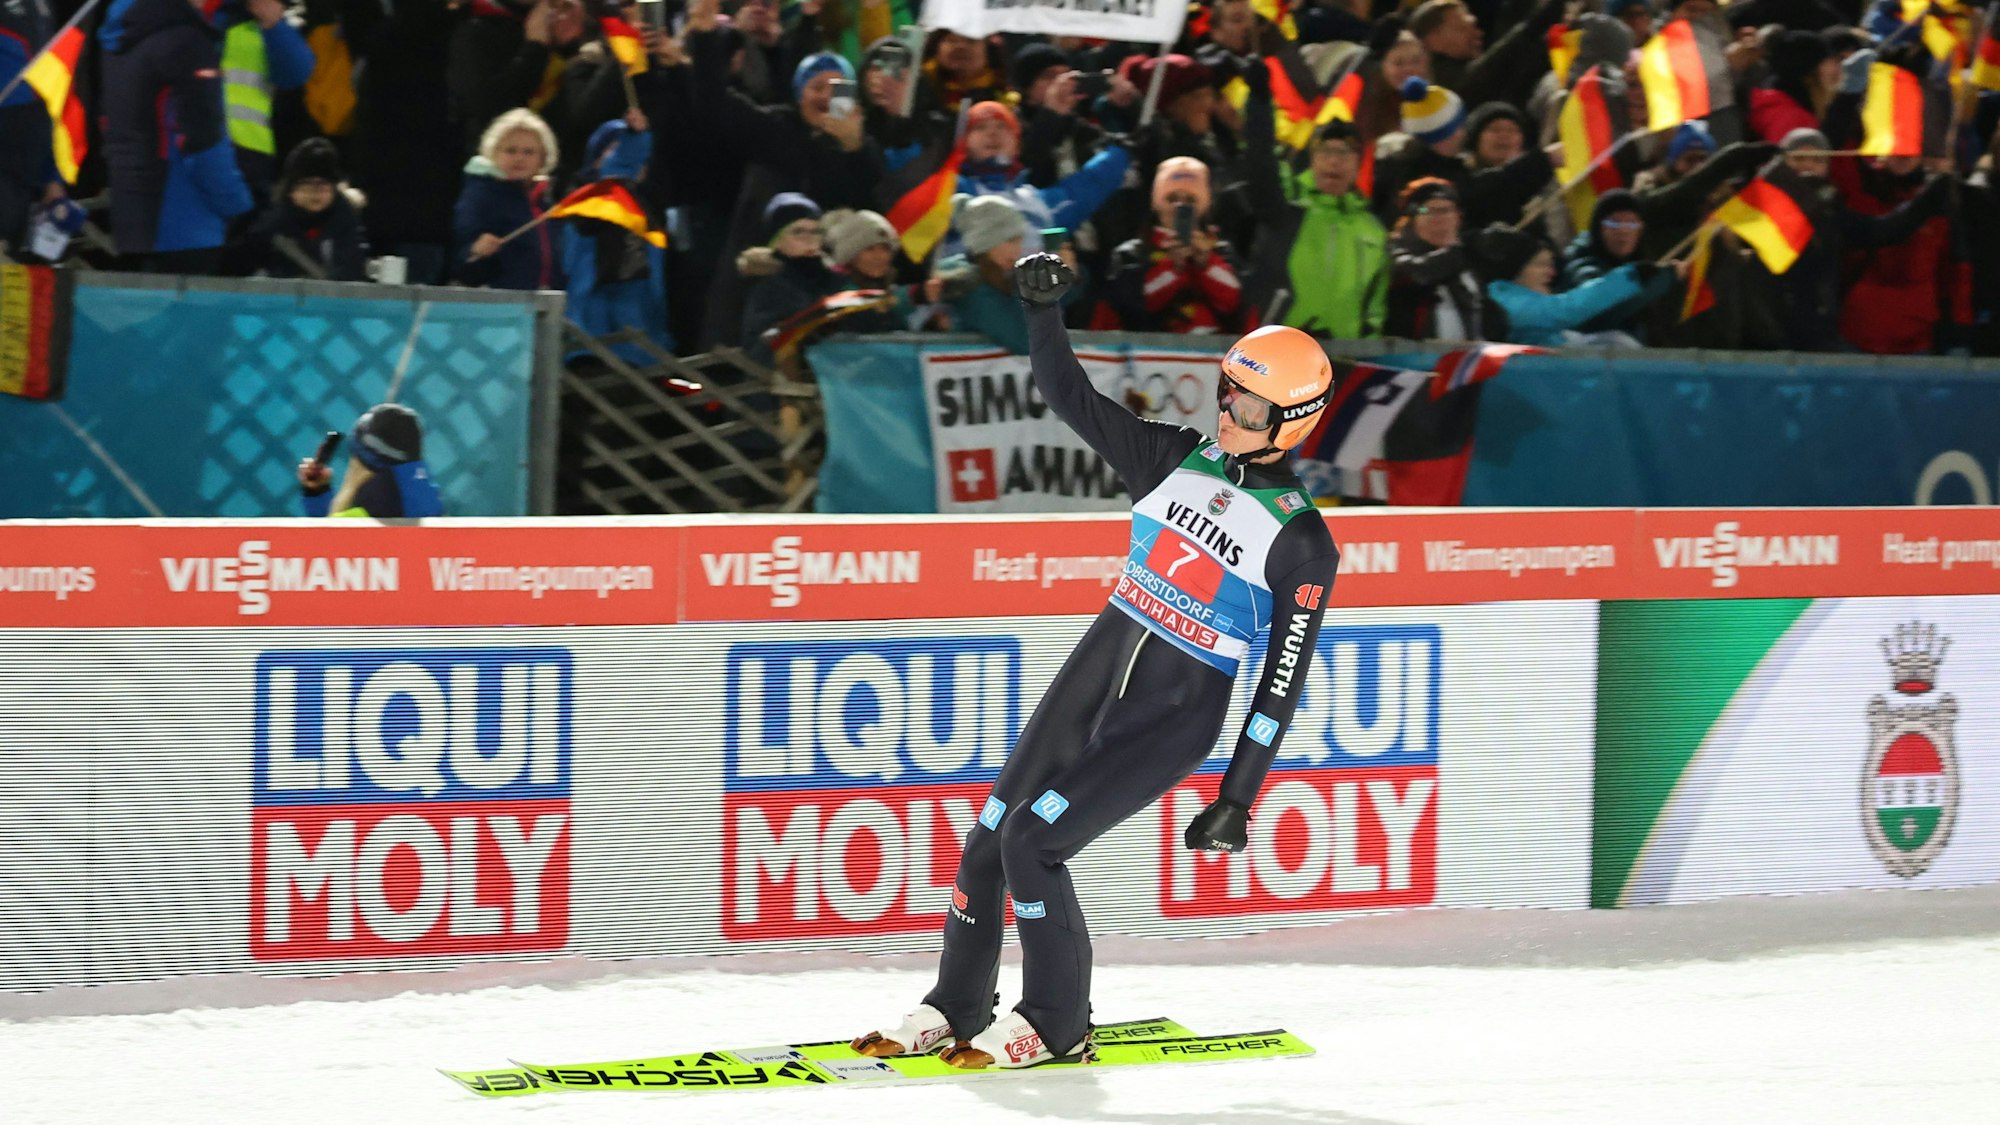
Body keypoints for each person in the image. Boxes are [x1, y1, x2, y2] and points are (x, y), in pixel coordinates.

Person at [853, 251, 1339, 1071]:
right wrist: (1042, 312)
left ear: (1293, 421)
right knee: (988, 838)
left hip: (1169, 716)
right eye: (1227, 390)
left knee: (1032, 844)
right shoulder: (1173, 457)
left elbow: (1279, 684)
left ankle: (1058, 1020)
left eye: (1252, 406)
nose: (1230, 411)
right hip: (1093, 675)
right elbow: (1068, 394)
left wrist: (1238, 796)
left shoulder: (1302, 540)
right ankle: (956, 1003)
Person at [100, 0, 257, 274]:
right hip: (189, 220)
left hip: (133, 220)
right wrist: (237, 205)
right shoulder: (188, 43)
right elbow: (203, 140)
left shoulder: (121, 37)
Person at [1238, 65, 1388, 337]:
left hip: (1345, 357)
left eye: (1344, 153)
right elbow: (1260, 163)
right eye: (1325, 152)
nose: (1334, 161)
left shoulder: (1373, 231)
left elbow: (1375, 308)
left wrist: (1366, 347)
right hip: (1278, 348)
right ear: (1313, 160)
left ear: (1358, 164)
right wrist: (1259, 103)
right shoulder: (1288, 204)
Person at [1479, 223, 1675, 347]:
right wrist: (1630, 276)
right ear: (1516, 270)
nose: (1551, 273)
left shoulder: (1518, 302)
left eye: (1551, 265)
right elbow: (1567, 309)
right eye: (1541, 265)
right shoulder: (1505, 303)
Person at [1105, 158, 1243, 333]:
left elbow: (1236, 304)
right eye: (1171, 198)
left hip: (1216, 347)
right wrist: (1173, 268)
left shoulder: (1221, 251)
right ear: (1157, 204)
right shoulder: (1131, 253)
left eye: (1190, 200)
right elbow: (1132, 309)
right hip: (1150, 347)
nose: (1179, 206)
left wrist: (1207, 263)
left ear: (1204, 206)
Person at [453, 107, 564, 290]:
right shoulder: (480, 196)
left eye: (529, 152)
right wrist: (474, 250)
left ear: (543, 158)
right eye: (511, 151)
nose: (519, 158)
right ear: (493, 153)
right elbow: (460, 252)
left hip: (547, 300)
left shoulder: (548, 206)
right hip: (498, 300)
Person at [1386, 178, 1498, 340]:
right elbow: (1417, 274)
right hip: (1412, 354)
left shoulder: (1469, 261)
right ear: (1412, 219)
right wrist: (1465, 249)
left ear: (1459, 217)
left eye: (1446, 210)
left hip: (1468, 353)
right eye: (1428, 211)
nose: (1439, 220)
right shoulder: (1393, 252)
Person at [245, 138, 369, 280]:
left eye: (323, 185)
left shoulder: (345, 222)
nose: (315, 193)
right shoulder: (272, 226)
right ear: (292, 191)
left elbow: (352, 269)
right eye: (307, 184)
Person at [296, 404, 444, 518]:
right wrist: (318, 492)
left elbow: (326, 541)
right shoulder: (425, 497)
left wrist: (335, 495)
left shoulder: (362, 513)